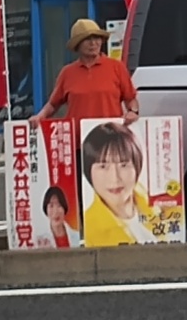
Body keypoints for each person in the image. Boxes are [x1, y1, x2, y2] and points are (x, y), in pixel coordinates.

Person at [29, 18, 140, 228]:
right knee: (82, 193)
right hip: (78, 144)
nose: (94, 43)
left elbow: (131, 98)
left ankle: (114, 232)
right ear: (77, 45)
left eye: (97, 38)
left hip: (110, 145)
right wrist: (39, 117)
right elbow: (53, 103)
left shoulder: (116, 68)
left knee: (112, 192)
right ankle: (84, 236)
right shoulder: (67, 73)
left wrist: (133, 112)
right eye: (88, 39)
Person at [81, 121, 163, 246]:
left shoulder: (152, 201)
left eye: (123, 165)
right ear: (88, 172)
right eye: (103, 166)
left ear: (137, 166)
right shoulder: (90, 230)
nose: (115, 178)